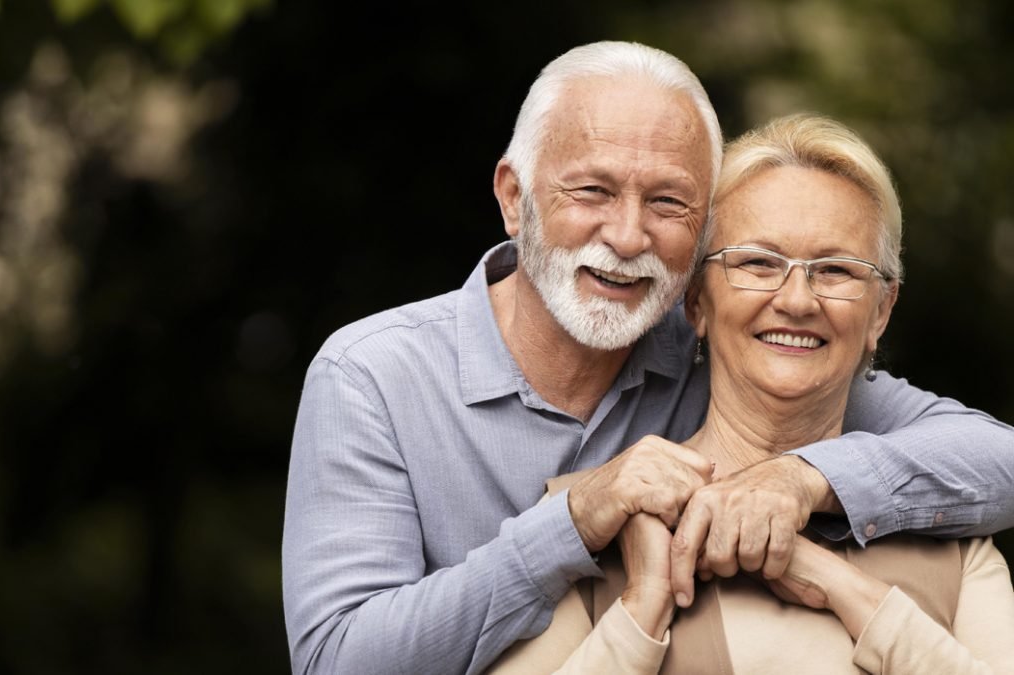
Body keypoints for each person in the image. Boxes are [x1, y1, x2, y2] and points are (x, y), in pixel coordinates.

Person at [282, 41, 1014, 674]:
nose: (628, 235)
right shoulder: (371, 376)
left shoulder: (731, 353)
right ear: (515, 196)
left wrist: (802, 478)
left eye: (668, 203)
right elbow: (340, 659)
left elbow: (993, 457)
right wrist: (573, 521)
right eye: (593, 189)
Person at [489, 113, 1014, 674]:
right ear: (695, 302)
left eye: (835, 270)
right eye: (758, 264)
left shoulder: (954, 544)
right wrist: (641, 607)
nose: (796, 300)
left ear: (880, 311)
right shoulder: (592, 521)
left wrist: (847, 590)